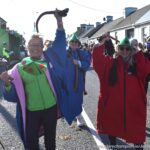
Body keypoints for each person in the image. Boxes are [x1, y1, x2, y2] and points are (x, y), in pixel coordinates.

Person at [0, 9, 73, 150]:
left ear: (42, 47)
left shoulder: (49, 60)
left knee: (50, 142)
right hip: (32, 111)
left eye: (38, 45)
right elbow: (12, 96)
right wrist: (7, 83)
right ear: (27, 47)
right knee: (32, 143)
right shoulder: (19, 68)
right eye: (32, 45)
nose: (35, 48)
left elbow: (60, 41)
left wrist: (59, 21)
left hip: (51, 108)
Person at [92, 34, 150, 150]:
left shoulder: (136, 64)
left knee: (137, 135)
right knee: (112, 128)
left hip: (134, 108)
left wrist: (138, 52)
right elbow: (97, 61)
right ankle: (113, 146)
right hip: (113, 107)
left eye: (128, 48)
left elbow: (146, 69)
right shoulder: (110, 64)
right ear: (117, 49)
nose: (125, 51)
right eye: (122, 48)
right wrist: (101, 43)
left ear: (131, 50)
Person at [66, 33, 91, 127]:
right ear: (69, 43)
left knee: (78, 100)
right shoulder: (64, 52)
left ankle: (79, 117)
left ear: (78, 43)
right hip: (67, 82)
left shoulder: (82, 53)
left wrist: (79, 63)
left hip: (78, 82)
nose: (74, 43)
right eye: (72, 42)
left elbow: (87, 64)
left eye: (76, 42)